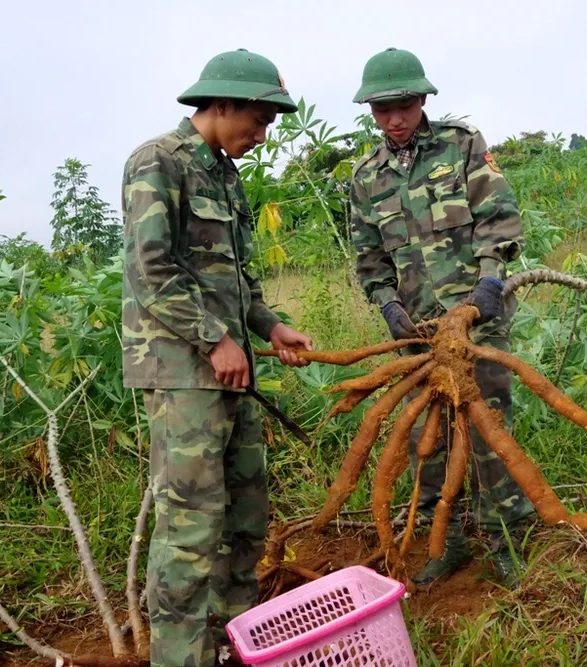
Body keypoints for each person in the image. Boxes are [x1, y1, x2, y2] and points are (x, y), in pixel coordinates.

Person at [121, 48, 313, 667]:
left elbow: (239, 279)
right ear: (222, 103)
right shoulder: (157, 162)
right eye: (257, 121)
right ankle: (180, 656)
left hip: (232, 371)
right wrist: (214, 339)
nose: (262, 136)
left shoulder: (227, 178)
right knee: (191, 526)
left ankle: (238, 644)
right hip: (185, 376)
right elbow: (152, 270)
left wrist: (272, 326)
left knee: (246, 514)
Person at [348, 47, 534, 588]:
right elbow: (369, 257)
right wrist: (387, 304)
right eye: (382, 110)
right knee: (426, 440)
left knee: (488, 427)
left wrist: (489, 282)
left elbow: (499, 220)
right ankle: (445, 542)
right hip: (419, 335)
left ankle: (506, 540)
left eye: (403, 104)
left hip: (477, 320)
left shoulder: (462, 145)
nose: (395, 119)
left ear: (423, 98)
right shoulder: (366, 178)